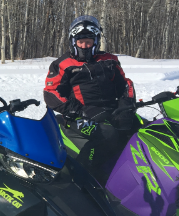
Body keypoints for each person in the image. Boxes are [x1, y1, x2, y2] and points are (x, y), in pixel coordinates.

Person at [43, 15, 136, 182]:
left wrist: (126, 106)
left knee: (138, 128)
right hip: (79, 115)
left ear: (96, 41)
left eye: (89, 41)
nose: (85, 46)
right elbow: (51, 92)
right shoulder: (63, 64)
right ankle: (90, 180)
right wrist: (74, 109)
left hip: (112, 110)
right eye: (81, 42)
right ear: (73, 42)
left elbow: (125, 85)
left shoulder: (109, 60)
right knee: (108, 134)